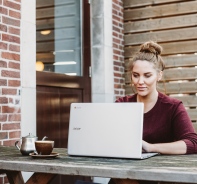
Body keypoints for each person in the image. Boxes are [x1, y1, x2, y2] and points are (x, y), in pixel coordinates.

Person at [108, 41, 197, 184]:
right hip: (126, 175)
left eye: (147, 75)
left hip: (160, 177)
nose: (140, 81)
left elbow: (193, 143)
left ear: (159, 75)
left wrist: (151, 147)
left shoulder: (172, 107)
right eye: (136, 75)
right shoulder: (122, 104)